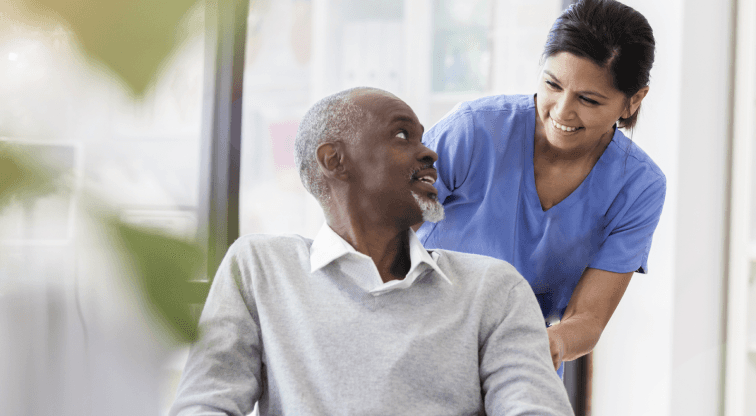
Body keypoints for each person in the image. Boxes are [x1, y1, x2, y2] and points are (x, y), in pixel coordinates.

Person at [169, 87, 573, 415]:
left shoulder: (494, 288)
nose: (430, 151)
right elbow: (204, 405)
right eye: (402, 135)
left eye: (423, 136)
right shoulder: (260, 269)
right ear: (335, 160)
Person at [416, 0, 665, 375]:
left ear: (633, 101)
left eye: (588, 99)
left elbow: (588, 317)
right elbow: (380, 230)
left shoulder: (638, 186)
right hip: (421, 331)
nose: (562, 111)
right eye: (552, 84)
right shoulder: (474, 131)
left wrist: (549, 344)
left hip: (522, 358)